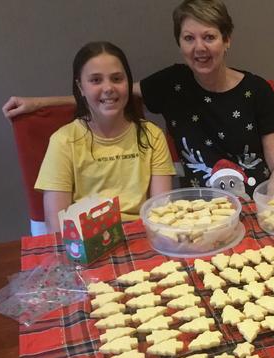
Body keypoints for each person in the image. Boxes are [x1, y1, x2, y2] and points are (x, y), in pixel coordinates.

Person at [4, 0, 274, 199]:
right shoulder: (172, 83)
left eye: (210, 37)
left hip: (259, 203)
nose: (199, 48)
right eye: (189, 38)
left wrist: (267, 209)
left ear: (227, 40)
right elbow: (110, 93)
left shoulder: (257, 90)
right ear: (179, 43)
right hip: (203, 213)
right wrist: (38, 104)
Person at [34, 41, 175, 233]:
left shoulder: (152, 135)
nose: (108, 88)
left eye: (117, 79)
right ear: (80, 87)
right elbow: (56, 225)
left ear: (128, 82)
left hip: (142, 236)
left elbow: (161, 213)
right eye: (96, 80)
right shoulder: (63, 141)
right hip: (87, 242)